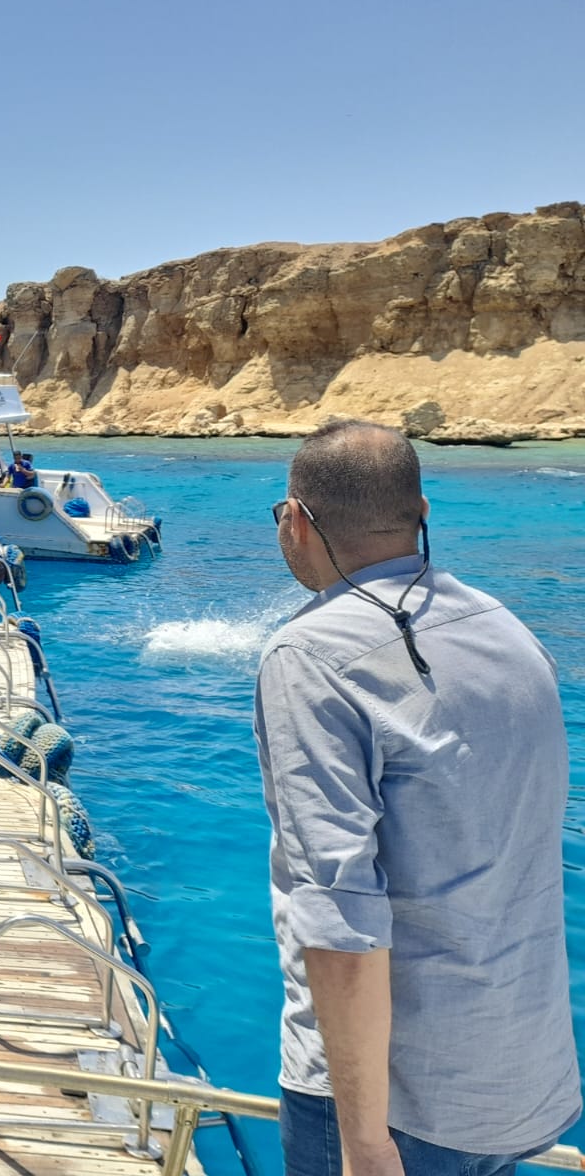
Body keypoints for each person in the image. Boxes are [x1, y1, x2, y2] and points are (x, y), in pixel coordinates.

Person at [259, 420, 579, 1176]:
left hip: (396, 1107)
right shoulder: (510, 631)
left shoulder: (309, 655)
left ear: (295, 520)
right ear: (422, 513)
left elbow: (340, 915)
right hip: (514, 1077)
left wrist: (366, 1144)